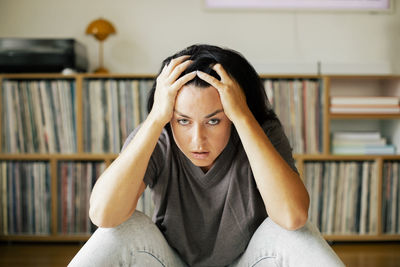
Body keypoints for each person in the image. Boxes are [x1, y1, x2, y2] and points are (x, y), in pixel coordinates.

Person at [69, 44, 344, 267]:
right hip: (171, 261)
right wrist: (155, 119)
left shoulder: (260, 131)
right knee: (120, 228)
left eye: (214, 121)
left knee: (295, 232)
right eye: (183, 121)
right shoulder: (158, 133)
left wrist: (243, 117)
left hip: (248, 260)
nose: (197, 140)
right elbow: (103, 215)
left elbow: (293, 216)